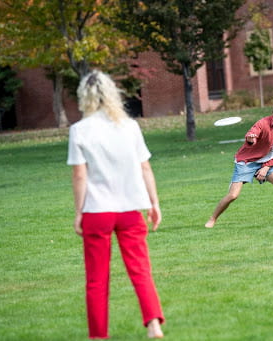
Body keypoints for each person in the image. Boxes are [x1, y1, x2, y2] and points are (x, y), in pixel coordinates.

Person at [67, 70, 165, 339]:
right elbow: (145, 167)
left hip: (97, 211)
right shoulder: (130, 126)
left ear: (83, 97)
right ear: (112, 93)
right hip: (130, 209)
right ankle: (154, 324)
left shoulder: (79, 131)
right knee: (140, 269)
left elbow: (79, 174)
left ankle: (98, 335)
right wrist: (154, 203)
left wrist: (78, 213)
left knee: (97, 279)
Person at [205, 97, 273, 228]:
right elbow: (253, 133)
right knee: (233, 195)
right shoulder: (263, 123)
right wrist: (251, 139)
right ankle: (212, 219)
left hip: (265, 162)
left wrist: (266, 167)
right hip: (247, 161)